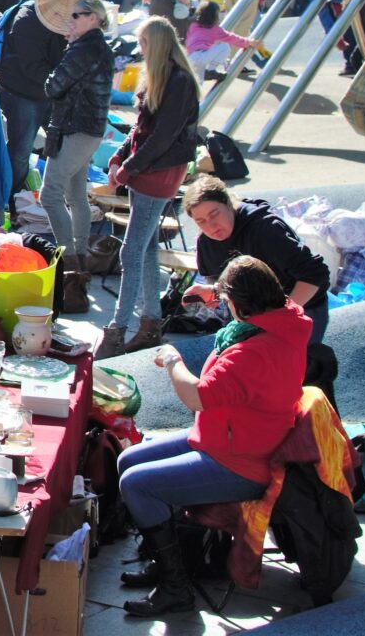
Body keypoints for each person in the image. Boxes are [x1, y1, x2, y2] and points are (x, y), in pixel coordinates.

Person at [115, 256, 309, 617]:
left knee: (136, 484)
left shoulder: (254, 352)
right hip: (229, 437)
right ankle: (169, 560)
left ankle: (176, 588)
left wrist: (173, 360)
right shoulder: (283, 319)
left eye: (226, 300)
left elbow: (196, 397)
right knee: (127, 459)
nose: (224, 306)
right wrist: (214, 291)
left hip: (242, 463)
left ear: (242, 303)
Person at [97, 16, 201, 359]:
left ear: (155, 45)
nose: (140, 50)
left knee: (132, 251)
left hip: (160, 170)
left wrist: (128, 168)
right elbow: (140, 129)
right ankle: (150, 323)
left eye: (143, 43)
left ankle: (118, 329)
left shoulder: (178, 81)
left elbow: (162, 136)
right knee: (146, 248)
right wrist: (120, 156)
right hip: (153, 167)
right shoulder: (165, 76)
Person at [182, 176, 333, 344]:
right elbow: (221, 279)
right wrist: (215, 291)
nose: (211, 225)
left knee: (299, 361)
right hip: (252, 315)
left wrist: (282, 315)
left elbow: (315, 274)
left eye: (214, 214)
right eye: (201, 221)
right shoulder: (206, 243)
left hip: (302, 307)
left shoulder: (265, 229)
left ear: (229, 204)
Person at [39, 0, 114, 315]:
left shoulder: (83, 49)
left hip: (75, 128)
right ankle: (80, 261)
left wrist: (65, 54)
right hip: (89, 129)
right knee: (75, 196)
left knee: (50, 195)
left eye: (76, 16)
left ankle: (70, 263)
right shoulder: (98, 47)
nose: (70, 21)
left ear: (93, 18)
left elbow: (53, 87)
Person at [0, 0, 67, 213]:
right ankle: (11, 201)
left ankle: (49, 198)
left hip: (49, 90)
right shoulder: (28, 19)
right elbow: (32, 66)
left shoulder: (64, 18)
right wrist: (63, 82)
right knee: (21, 150)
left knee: (62, 146)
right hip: (24, 92)